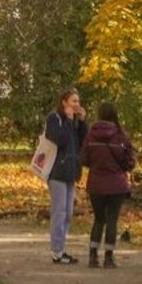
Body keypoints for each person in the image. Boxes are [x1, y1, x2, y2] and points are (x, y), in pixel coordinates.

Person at [80, 102, 136, 268]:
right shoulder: (120, 136)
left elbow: (83, 159)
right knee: (112, 220)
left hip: (96, 184)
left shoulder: (91, 135)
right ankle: (109, 258)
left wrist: (97, 165)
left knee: (98, 220)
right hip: (116, 185)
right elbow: (130, 161)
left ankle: (92, 256)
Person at [45, 88, 89, 265]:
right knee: (59, 212)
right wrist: (69, 120)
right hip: (57, 172)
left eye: (78, 102)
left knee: (68, 213)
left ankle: (62, 248)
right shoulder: (54, 119)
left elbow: (84, 142)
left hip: (71, 171)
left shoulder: (75, 122)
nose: (76, 105)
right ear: (64, 102)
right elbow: (59, 139)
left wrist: (83, 122)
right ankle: (57, 251)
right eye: (73, 101)